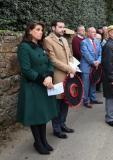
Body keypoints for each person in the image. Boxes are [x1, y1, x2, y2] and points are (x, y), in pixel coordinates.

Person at [17, 21, 58, 154]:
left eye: (42, 30)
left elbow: (49, 63)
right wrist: (43, 79)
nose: (41, 32)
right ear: (30, 31)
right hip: (33, 86)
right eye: (38, 29)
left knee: (43, 114)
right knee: (36, 116)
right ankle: (38, 143)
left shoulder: (40, 46)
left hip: (44, 85)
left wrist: (50, 75)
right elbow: (26, 70)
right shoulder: (24, 47)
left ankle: (44, 140)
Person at [44, 20, 75, 139]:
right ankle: (56, 129)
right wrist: (69, 69)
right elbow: (52, 60)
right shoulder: (47, 40)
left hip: (68, 75)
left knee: (66, 101)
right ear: (53, 28)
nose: (62, 29)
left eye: (63, 27)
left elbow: (70, 56)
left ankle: (63, 124)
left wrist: (72, 67)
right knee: (57, 103)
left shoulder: (65, 40)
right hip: (57, 76)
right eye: (60, 27)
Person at [80, 27, 103, 108]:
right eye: (92, 32)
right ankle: (85, 101)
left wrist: (99, 61)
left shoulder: (97, 41)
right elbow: (86, 54)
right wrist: (93, 62)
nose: (94, 33)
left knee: (93, 82)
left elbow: (101, 53)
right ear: (88, 33)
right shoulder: (84, 42)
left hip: (95, 66)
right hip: (86, 67)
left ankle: (93, 99)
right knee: (86, 85)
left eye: (95, 32)